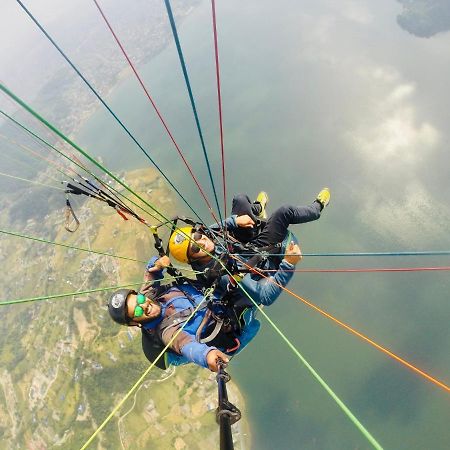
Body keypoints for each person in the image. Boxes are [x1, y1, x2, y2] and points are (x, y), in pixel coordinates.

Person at [107, 242, 302, 372]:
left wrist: (156, 264)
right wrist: (208, 356)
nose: (145, 306)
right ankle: (287, 263)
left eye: (139, 301)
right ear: (135, 323)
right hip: (231, 311)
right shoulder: (167, 332)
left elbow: (149, 276)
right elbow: (187, 347)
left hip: (216, 291)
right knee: (260, 296)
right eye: (138, 311)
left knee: (231, 260)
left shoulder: (148, 298)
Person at [168, 188, 330, 275]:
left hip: (241, 241)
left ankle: (257, 209)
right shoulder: (212, 270)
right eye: (196, 248)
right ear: (191, 259)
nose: (201, 241)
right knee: (284, 212)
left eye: (197, 235)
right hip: (256, 251)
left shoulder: (205, 237)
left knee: (239, 199)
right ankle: (317, 207)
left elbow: (214, 228)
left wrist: (235, 221)